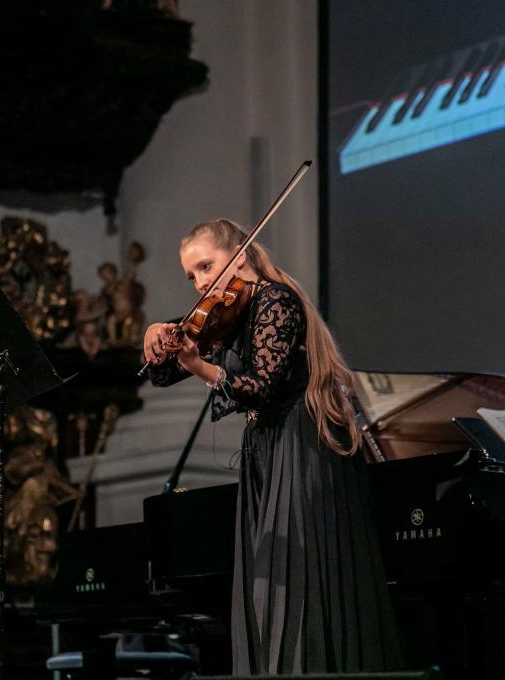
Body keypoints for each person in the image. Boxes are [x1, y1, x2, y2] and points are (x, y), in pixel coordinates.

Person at [143, 218, 401, 675]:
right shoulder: (226, 316)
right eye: (191, 275)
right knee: (269, 590)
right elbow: (162, 373)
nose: (201, 282)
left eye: (207, 266)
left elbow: (260, 385)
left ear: (238, 255)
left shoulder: (275, 301)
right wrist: (151, 336)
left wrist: (202, 367)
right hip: (266, 448)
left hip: (302, 444)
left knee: (298, 585)